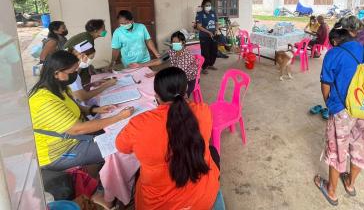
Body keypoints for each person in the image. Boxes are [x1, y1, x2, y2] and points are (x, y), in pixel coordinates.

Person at [28, 51, 134, 207]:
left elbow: (76, 108)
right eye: (72, 72)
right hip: (60, 153)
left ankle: (103, 181)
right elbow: (78, 129)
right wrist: (120, 117)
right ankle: (106, 193)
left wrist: (96, 110)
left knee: (116, 135)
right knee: (118, 147)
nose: (75, 74)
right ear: (57, 73)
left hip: (75, 139)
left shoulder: (59, 87)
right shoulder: (43, 100)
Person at [116, 67, 220, 210]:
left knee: (138, 173)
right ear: (185, 92)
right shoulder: (203, 110)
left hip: (157, 206)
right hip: (202, 200)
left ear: (157, 96)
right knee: (212, 151)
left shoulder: (139, 123)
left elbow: (121, 146)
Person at [314, 24, 364, 206]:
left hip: (343, 111)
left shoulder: (334, 54)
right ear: (352, 36)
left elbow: (326, 84)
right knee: (362, 147)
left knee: (338, 148)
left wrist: (330, 104)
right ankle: (350, 184)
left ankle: (331, 191)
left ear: (335, 41)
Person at [130, 31, 199, 97]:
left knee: (165, 89)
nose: (174, 44)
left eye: (176, 42)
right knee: (159, 85)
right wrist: (140, 65)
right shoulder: (173, 51)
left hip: (187, 81)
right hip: (176, 76)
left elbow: (176, 73)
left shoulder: (187, 55)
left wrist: (157, 72)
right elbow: (159, 60)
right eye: (173, 42)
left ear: (183, 42)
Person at [195, 0, 219, 74]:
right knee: (205, 52)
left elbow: (217, 22)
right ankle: (204, 67)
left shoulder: (213, 13)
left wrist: (216, 29)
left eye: (209, 5)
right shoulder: (200, 14)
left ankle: (211, 64)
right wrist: (208, 32)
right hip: (204, 36)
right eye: (206, 5)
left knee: (214, 51)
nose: (208, 6)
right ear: (203, 6)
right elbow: (199, 26)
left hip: (213, 35)